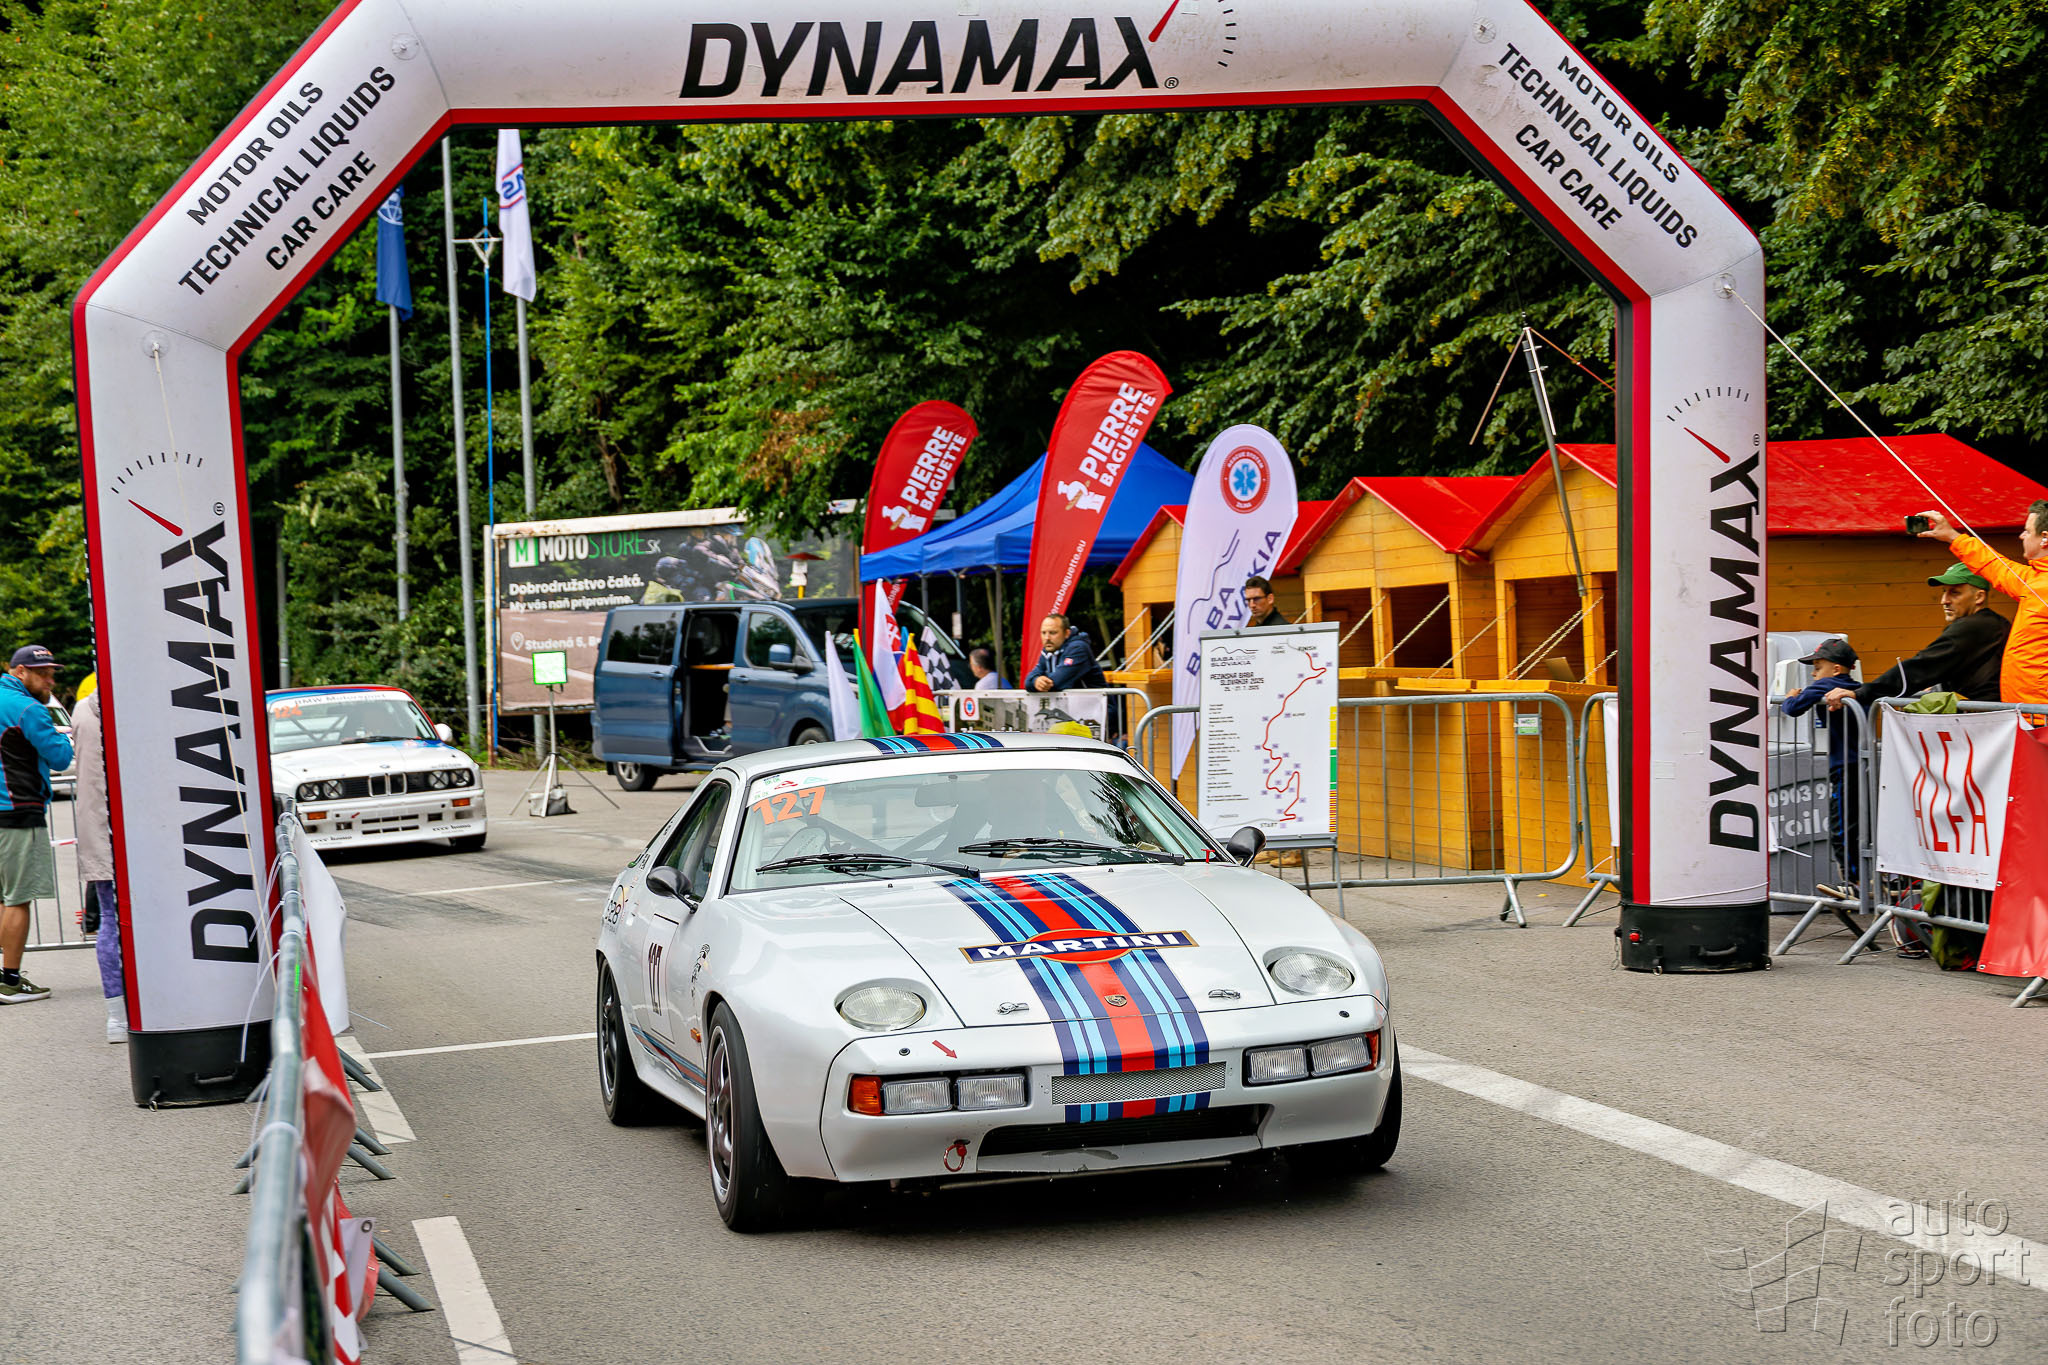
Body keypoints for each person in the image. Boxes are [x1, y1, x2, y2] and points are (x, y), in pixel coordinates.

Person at [1823, 564, 2009, 711]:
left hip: (1982, 721)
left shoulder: (1972, 627)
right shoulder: (1997, 624)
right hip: (1995, 718)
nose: (1944, 600)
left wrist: (1862, 692)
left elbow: (1922, 666)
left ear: (1979, 597)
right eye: (1944, 592)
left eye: (1955, 592)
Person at [0, 645, 74, 1004]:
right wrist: (62, 733)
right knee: (18, 898)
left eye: (51, 672)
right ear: (19, 672)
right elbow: (60, 757)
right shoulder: (28, 708)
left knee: (3, 897)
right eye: (41, 673)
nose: (50, 680)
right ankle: (10, 982)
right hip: (18, 812)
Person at [1916, 504, 2048, 704]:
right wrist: (1952, 537)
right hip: (2027, 709)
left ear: (2045, 538)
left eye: (2027, 531)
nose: (2022, 536)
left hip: (2039, 711)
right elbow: (1994, 565)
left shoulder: (2039, 582)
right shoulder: (2035, 579)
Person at [1779, 639, 1864, 911]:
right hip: (1862, 764)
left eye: (1817, 668)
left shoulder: (1826, 686)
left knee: (1841, 826)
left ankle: (1854, 882)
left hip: (1844, 766)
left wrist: (1790, 696)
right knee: (1858, 824)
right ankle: (1864, 879)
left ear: (1836, 669)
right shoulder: (1858, 689)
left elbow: (1792, 709)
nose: (1814, 674)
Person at [71, 681, 125, 1041]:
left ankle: (116, 1015)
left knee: (109, 920)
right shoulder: (130, 710)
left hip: (97, 829)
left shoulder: (82, 710)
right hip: (135, 835)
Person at [1026, 614, 1108, 693]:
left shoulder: (1078, 649)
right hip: (1073, 702)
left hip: (1097, 702)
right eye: (1043, 633)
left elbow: (1056, 683)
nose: (1047, 638)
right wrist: (1035, 681)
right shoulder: (1048, 650)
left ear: (1067, 633)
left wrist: (1038, 683)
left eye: (1053, 633)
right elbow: (1028, 682)